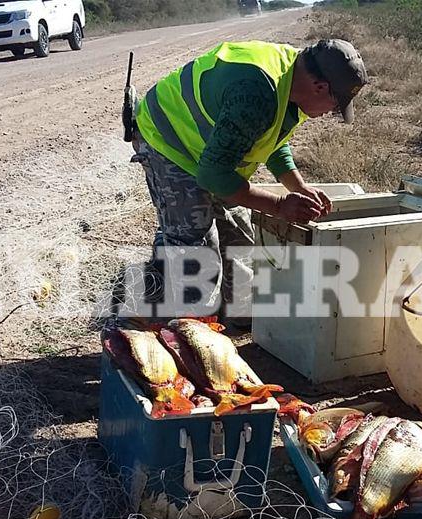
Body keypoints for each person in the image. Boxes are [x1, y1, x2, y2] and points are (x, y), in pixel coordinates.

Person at [129, 39, 368, 324]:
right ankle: (191, 333)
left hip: (212, 152)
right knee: (197, 247)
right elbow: (213, 175)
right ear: (320, 87)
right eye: (335, 104)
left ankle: (239, 315)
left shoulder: (294, 82)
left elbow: (270, 137)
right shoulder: (258, 90)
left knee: (240, 236)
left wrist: (298, 187)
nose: (331, 112)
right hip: (169, 139)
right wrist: (279, 206)